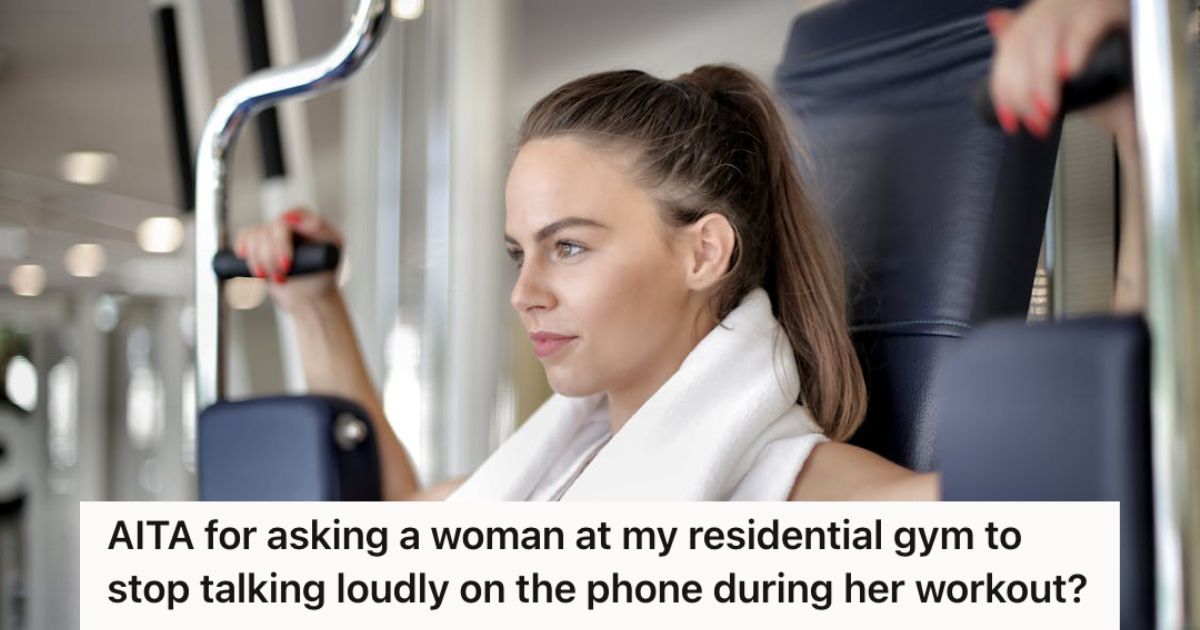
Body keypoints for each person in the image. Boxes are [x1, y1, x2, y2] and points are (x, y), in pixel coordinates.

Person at [234, 0, 1137, 501]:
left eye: (570, 248)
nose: (526, 292)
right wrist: (316, 305)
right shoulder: (553, 473)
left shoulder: (795, 491)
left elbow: (1096, 501)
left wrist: (1140, 135)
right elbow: (393, 531)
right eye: (520, 253)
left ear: (705, 252)